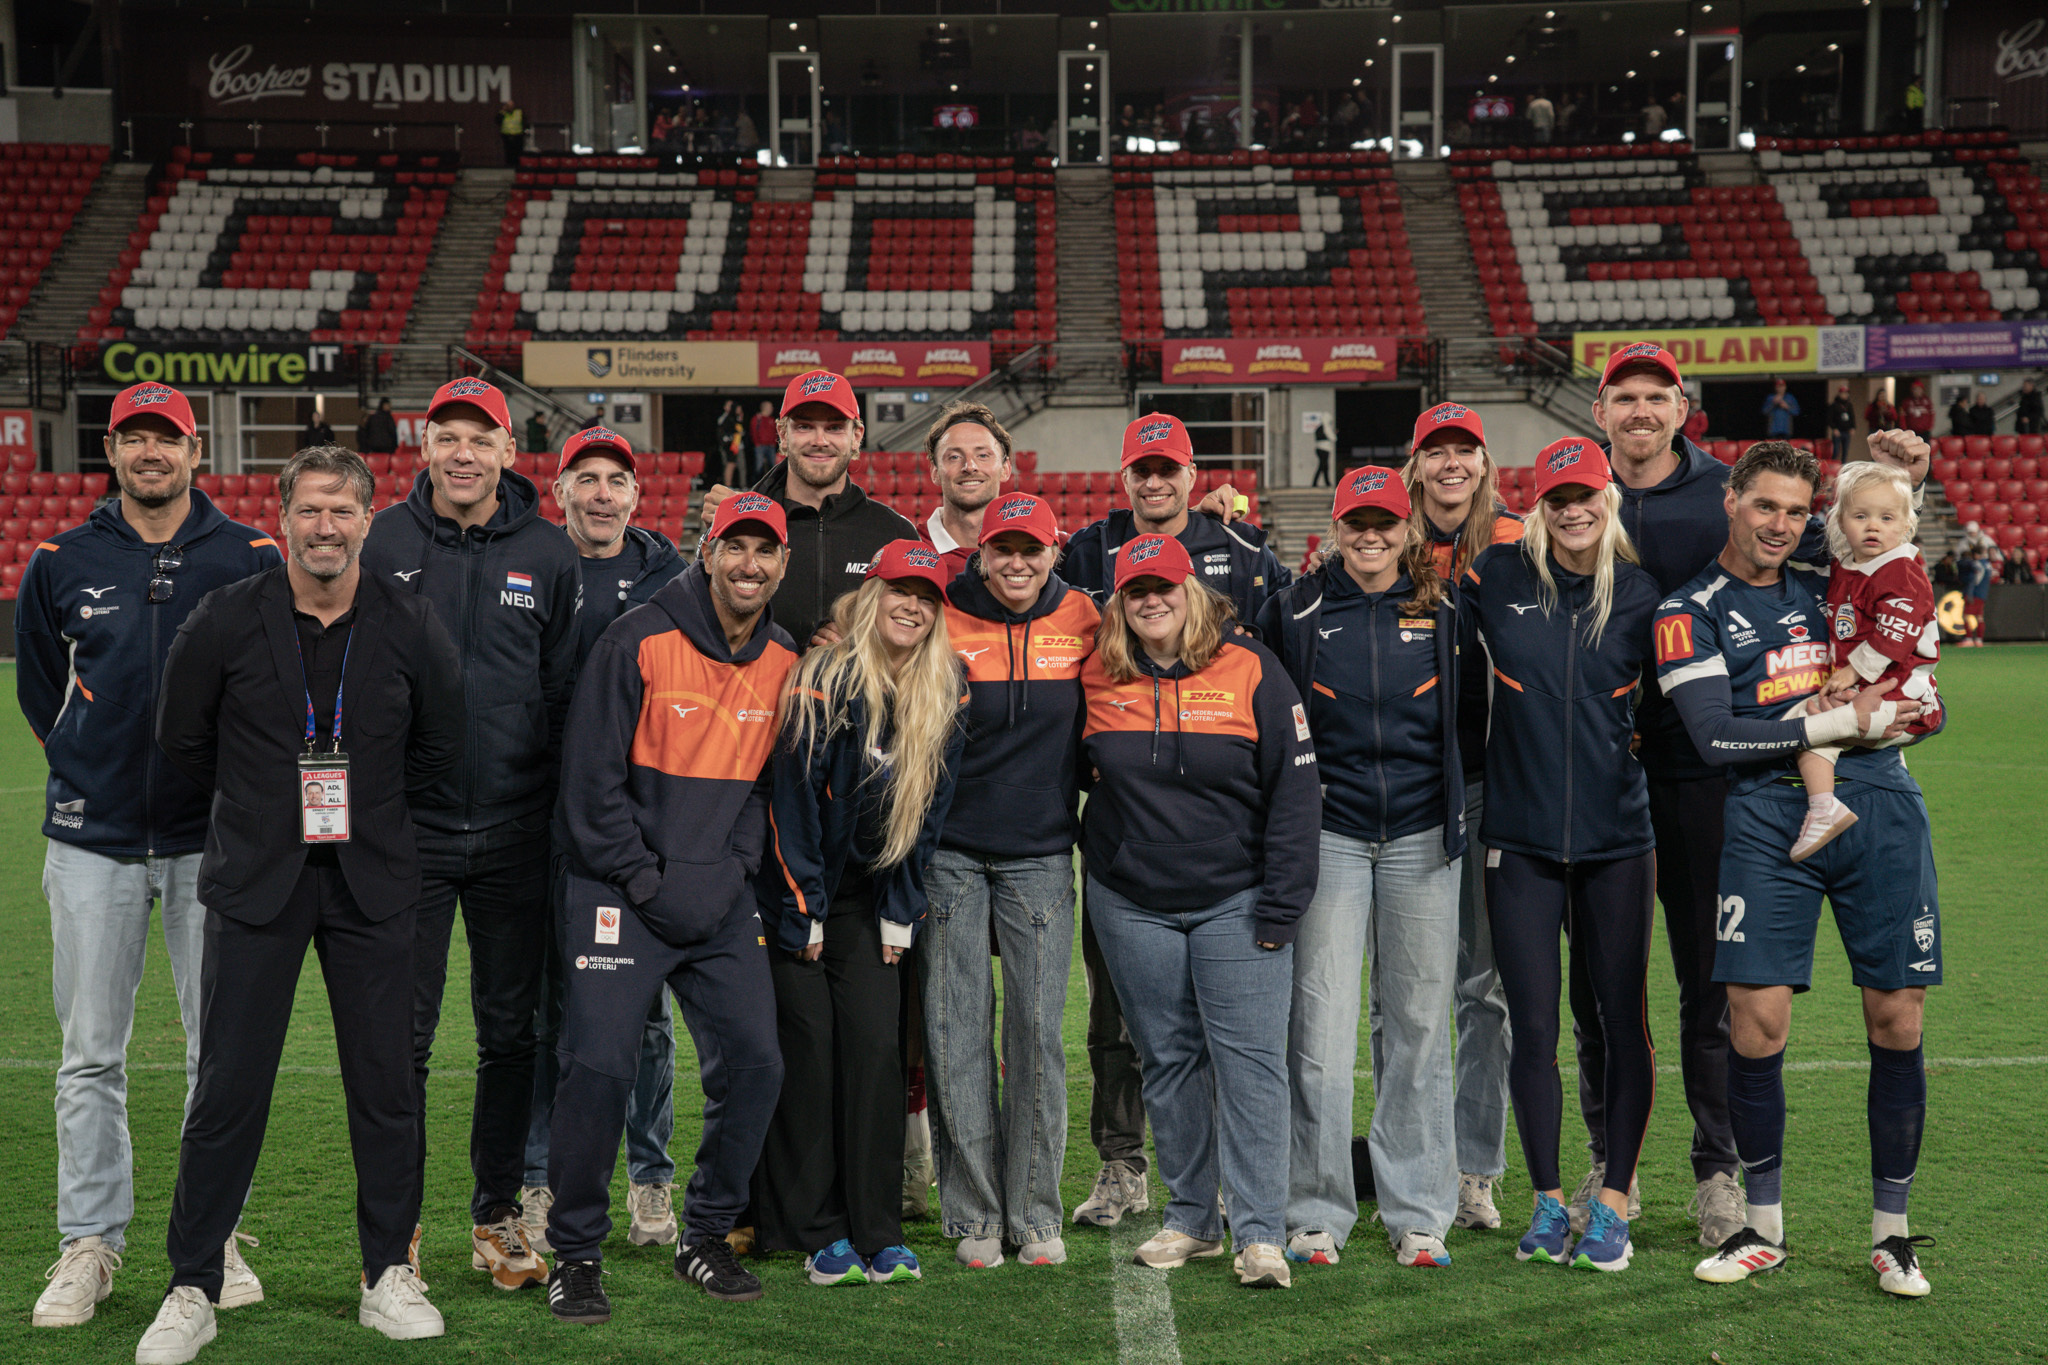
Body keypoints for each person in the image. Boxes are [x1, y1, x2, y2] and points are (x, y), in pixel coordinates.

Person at [139, 448, 464, 1362]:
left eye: (343, 510)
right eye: (311, 509)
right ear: (282, 516)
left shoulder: (410, 620)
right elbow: (181, 735)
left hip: (373, 881)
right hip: (257, 879)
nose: (327, 527)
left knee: (386, 1086)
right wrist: (258, 804)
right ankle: (194, 1282)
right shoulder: (226, 617)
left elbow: (443, 743)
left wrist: (376, 808)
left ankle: (387, 1272)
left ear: (368, 521)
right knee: (227, 1088)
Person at [18, 382, 283, 1331]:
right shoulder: (60, 558)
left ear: (195, 449)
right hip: (93, 840)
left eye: (165, 438)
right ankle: (90, 1241)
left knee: (221, 1054)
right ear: (112, 449)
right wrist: (87, 766)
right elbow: (42, 690)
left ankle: (214, 1235)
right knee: (91, 1053)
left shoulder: (251, 555)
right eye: (134, 438)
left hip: (214, 843)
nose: (150, 453)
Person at [1654, 442, 1940, 1299]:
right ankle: (1763, 1227)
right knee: (1756, 1022)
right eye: (1764, 505)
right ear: (1731, 500)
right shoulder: (1688, 609)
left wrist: (1910, 709)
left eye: (1793, 510)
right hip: (1765, 813)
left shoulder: (1837, 589)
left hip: (1881, 804)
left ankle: (1892, 1235)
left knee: (1897, 1017)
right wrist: (1841, 723)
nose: (1779, 524)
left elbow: (1920, 685)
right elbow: (1716, 737)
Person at [541, 492, 799, 1323]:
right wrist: (645, 881)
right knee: (600, 1068)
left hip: (718, 894)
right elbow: (589, 785)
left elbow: (763, 788)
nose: (749, 564)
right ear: (707, 552)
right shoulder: (637, 639)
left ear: (782, 564)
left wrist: (733, 871)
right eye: (735, 547)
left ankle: (706, 1233)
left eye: (765, 550)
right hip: (620, 889)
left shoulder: (785, 658)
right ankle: (576, 1253)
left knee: (757, 1063)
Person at [359, 377, 580, 1291]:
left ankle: (495, 1215)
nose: (462, 452)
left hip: (516, 835)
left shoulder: (550, 551)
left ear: (507, 452)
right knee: (400, 1040)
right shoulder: (384, 540)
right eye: (446, 435)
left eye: (479, 438)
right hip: (407, 835)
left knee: (510, 1035)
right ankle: (397, 1226)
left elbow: (561, 694)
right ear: (424, 447)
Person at [1059, 413, 1292, 1230]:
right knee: (1122, 1026)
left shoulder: (1247, 552)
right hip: (1130, 853)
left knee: (1234, 1036)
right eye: (1141, 470)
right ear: (1124, 477)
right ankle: (1124, 1163)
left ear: (1194, 474)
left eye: (1168, 469)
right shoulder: (1086, 551)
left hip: (1227, 841)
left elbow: (1275, 668)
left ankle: (1239, 1195)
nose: (1155, 482)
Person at [1080, 535, 1320, 1289]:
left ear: (1191, 591)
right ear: (1119, 602)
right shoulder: (1095, 672)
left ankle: (1259, 1232)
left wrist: (1283, 902)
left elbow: (1296, 792)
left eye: (1164, 587)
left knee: (1251, 1065)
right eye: (1137, 591)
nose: (1152, 601)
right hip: (1131, 901)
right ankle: (1192, 1218)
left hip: (1236, 898)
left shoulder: (1252, 666)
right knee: (1168, 1060)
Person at [1458, 437, 1663, 1273]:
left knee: (1621, 1021)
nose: (1573, 510)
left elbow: (1674, 710)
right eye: (1558, 498)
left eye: (1585, 495)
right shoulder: (1496, 577)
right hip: (1520, 841)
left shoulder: (1642, 594)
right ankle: (1546, 1201)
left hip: (1619, 842)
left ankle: (1612, 1200)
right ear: (1538, 506)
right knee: (1533, 1025)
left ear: (1607, 497)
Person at [1255, 467, 1467, 1270]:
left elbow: (1472, 713)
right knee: (1320, 1026)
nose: (1371, 536)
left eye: (1385, 522)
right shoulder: (1295, 608)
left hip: (1421, 835)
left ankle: (1419, 1211)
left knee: (1419, 1024)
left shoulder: (1447, 606)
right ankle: (1315, 1209)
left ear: (1408, 527)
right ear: (1336, 526)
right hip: (1330, 835)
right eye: (1357, 522)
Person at [754, 540, 966, 1287]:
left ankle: (878, 1229)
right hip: (800, 892)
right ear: (873, 596)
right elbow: (792, 803)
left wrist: (901, 912)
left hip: (873, 899)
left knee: (877, 1049)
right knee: (810, 1053)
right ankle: (818, 1232)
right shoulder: (823, 675)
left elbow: (929, 815)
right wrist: (803, 911)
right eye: (900, 591)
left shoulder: (947, 686)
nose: (912, 607)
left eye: (927, 598)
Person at [520, 426, 687, 1255]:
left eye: (615, 479)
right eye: (584, 477)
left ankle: (650, 1176)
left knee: (645, 1012)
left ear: (636, 494)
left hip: (639, 826)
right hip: (546, 822)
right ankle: (541, 1178)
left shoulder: (671, 577)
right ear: (559, 492)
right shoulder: (532, 568)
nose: (600, 493)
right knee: (551, 1011)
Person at [924, 493, 1099, 1270]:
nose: (1018, 563)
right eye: (1004, 550)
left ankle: (1033, 1210)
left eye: (1032, 549)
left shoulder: (1086, 618)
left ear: (1054, 550)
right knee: (956, 1029)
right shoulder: (943, 614)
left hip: (1041, 854)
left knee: (1036, 1033)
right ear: (982, 552)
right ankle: (973, 1213)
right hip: (950, 852)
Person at [1400, 402, 1519, 1232]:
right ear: (1416, 465)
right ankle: (1409, 1161)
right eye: (1435, 451)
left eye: (1464, 451)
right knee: (1403, 994)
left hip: (1490, 784)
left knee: (1484, 987)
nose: (1451, 464)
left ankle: (1475, 1168)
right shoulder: (1384, 539)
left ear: (1483, 462)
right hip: (1406, 789)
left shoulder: (1518, 540)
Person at [1787, 463, 1942, 860]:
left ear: (1906, 524)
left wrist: (1853, 670)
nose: (1873, 526)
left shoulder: (1901, 571)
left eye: (1886, 518)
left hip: (1903, 693)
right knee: (1815, 725)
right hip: (1872, 690)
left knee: (1805, 726)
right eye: (1860, 516)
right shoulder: (1848, 564)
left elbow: (1896, 631)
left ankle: (1824, 808)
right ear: (1840, 522)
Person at [699, 371, 916, 650]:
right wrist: (714, 535)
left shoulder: (894, 533)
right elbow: (699, 621)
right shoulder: (742, 526)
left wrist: (865, 641)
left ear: (856, 436)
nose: (820, 440)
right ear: (782, 434)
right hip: (754, 678)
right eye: (804, 426)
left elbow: (919, 636)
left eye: (834, 428)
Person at [917, 401, 1014, 578]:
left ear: (1006, 468)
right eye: (954, 457)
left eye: (983, 455)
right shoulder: (909, 546)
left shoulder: (1045, 548)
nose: (969, 467)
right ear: (935, 472)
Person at [1958, 537, 1992, 646]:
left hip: (1974, 594)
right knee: (1979, 617)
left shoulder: (1977, 564)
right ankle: (1979, 639)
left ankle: (1968, 638)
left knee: (1966, 615)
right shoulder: (1988, 564)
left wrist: (1969, 594)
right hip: (1983, 594)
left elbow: (1974, 580)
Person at [717, 400, 745, 489]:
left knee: (737, 465)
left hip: (736, 445)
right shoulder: (726, 418)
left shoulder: (736, 418)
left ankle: (742, 485)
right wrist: (728, 439)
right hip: (729, 445)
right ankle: (727, 485)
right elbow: (722, 432)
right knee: (730, 464)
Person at [749, 400, 778, 487]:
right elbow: (753, 432)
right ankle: (756, 485)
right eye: (770, 407)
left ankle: (772, 486)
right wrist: (757, 443)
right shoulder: (757, 418)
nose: (772, 409)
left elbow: (775, 432)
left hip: (771, 446)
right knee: (759, 466)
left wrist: (774, 443)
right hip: (760, 446)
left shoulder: (772, 420)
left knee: (774, 467)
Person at [1828, 386, 1856, 462]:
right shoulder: (1834, 405)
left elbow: (1852, 417)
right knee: (1836, 450)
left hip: (1846, 431)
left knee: (1845, 451)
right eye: (1843, 393)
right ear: (1839, 394)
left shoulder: (1849, 405)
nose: (1845, 395)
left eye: (1846, 393)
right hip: (1838, 431)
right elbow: (1830, 419)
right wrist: (1834, 428)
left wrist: (1853, 427)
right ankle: (1833, 465)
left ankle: (1844, 465)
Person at [499, 99, 525, 167]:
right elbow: (497, 121)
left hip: (518, 136)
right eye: (508, 106)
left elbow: (524, 122)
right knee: (508, 153)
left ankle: (518, 166)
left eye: (511, 105)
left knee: (518, 153)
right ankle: (509, 166)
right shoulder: (503, 113)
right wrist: (503, 111)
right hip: (507, 136)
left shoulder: (519, 112)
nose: (510, 107)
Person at [1311, 419, 1334, 488]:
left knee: (1324, 466)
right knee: (1322, 466)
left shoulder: (1319, 428)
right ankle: (1317, 483)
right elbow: (1333, 437)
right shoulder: (1326, 428)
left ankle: (1326, 482)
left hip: (1320, 449)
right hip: (1324, 449)